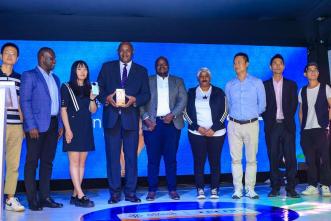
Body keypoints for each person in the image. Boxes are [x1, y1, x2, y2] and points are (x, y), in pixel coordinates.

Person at [97, 42, 150, 204]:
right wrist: (106, 98)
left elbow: (146, 94)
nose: (125, 53)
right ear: (118, 52)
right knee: (113, 157)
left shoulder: (141, 71)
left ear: (132, 52)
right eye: (122, 50)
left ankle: (130, 193)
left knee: (131, 158)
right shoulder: (107, 68)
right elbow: (98, 89)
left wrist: (135, 100)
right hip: (112, 119)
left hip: (131, 120)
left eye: (128, 50)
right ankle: (114, 193)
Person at [20, 47, 63, 211]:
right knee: (32, 163)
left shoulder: (56, 78)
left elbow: (57, 104)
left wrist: (59, 124)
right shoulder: (29, 75)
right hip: (36, 127)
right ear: (41, 58)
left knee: (47, 162)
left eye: (54, 58)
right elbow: (25, 101)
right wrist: (30, 125)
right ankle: (32, 200)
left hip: (53, 125)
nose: (54, 61)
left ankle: (45, 197)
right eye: (51, 58)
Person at [140, 56, 187, 201]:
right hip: (152, 125)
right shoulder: (147, 81)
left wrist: (172, 114)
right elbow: (140, 101)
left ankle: (172, 189)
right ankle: (152, 190)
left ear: (168, 66)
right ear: (155, 67)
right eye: (159, 65)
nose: (162, 67)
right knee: (153, 159)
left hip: (172, 124)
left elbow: (183, 99)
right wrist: (146, 118)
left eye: (164, 65)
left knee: (171, 159)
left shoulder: (177, 81)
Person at [225, 52, 266, 199]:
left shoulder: (256, 82)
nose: (236, 65)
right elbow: (228, 105)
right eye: (235, 62)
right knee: (235, 159)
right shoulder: (229, 84)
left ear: (247, 64)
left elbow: (262, 105)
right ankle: (237, 189)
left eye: (239, 62)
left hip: (251, 124)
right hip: (234, 124)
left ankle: (250, 189)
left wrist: (250, 115)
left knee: (251, 159)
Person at [184, 67, 227, 200]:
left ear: (210, 78)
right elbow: (185, 112)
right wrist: (198, 128)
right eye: (201, 76)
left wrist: (213, 128)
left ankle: (215, 189)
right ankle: (200, 189)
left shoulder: (219, 92)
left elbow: (225, 112)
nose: (204, 78)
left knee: (215, 162)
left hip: (217, 133)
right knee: (199, 162)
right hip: (197, 133)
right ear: (198, 78)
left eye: (206, 75)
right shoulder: (190, 92)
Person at [262, 54, 299, 198]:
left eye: (280, 63)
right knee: (273, 157)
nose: (277, 65)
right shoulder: (264, 85)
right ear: (270, 67)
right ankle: (275, 187)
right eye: (275, 63)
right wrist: (269, 119)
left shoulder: (291, 84)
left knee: (290, 157)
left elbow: (294, 104)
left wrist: (286, 118)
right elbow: (262, 106)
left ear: (283, 66)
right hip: (272, 126)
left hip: (287, 125)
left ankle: (291, 188)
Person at [61, 60, 97, 207]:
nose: (83, 72)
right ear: (74, 71)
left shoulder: (91, 87)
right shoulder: (66, 86)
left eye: (85, 69)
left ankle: (75, 194)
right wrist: (68, 130)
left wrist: (92, 98)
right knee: (74, 162)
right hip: (73, 126)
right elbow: (63, 110)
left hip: (86, 126)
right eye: (79, 69)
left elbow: (93, 110)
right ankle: (81, 195)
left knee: (82, 162)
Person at [299, 62, 331, 197]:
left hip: (321, 128)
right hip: (307, 130)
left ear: (318, 73)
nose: (312, 72)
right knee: (310, 159)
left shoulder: (326, 88)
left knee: (325, 158)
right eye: (309, 70)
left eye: (315, 70)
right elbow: (301, 111)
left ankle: (325, 185)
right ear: (305, 74)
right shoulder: (302, 90)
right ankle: (312, 185)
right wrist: (302, 127)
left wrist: (328, 124)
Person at [0, 42, 25, 212]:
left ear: (17, 58)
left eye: (13, 54)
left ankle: (9, 198)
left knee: (13, 164)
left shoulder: (20, 78)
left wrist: (24, 125)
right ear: (1, 56)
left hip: (15, 126)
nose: (10, 56)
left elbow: (22, 104)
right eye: (6, 53)